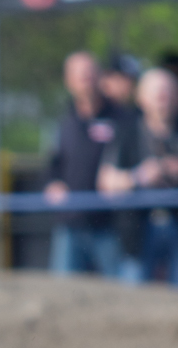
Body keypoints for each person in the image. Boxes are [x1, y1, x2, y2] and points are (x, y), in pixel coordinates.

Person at [99, 68, 178, 286]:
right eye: (158, 94)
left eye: (169, 93)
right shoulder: (126, 133)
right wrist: (139, 176)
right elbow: (105, 182)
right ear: (142, 98)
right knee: (134, 294)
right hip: (137, 232)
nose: (164, 100)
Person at [45, 52, 123, 276]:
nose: (85, 80)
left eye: (89, 73)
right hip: (70, 223)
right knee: (63, 288)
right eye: (79, 75)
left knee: (120, 288)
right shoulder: (62, 120)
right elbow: (52, 165)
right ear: (68, 80)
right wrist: (53, 184)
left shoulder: (121, 118)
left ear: (100, 77)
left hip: (109, 224)